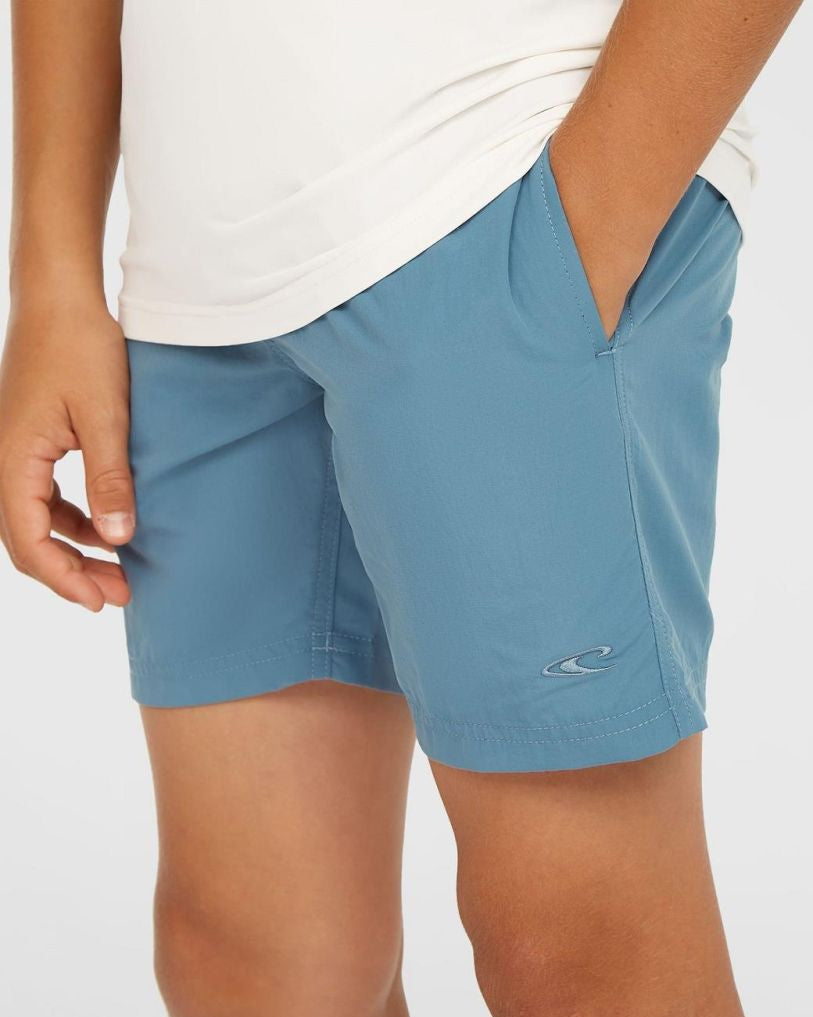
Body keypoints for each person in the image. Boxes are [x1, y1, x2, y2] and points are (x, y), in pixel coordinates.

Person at [0, 2, 803, 1014]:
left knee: (574, 954)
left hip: (500, 174)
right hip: (196, 274)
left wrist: (594, 212)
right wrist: (50, 274)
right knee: (250, 963)